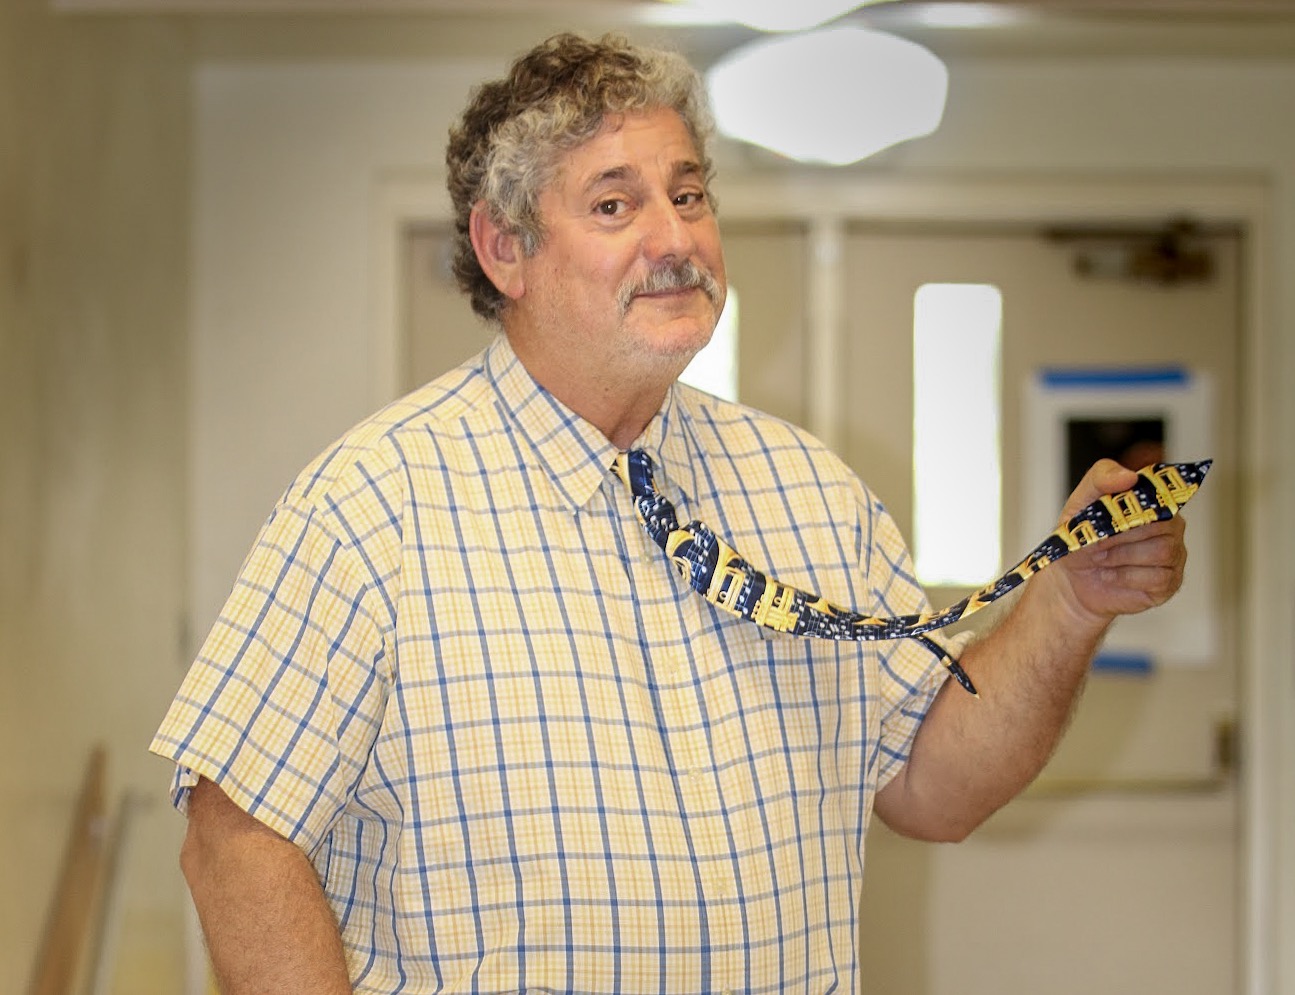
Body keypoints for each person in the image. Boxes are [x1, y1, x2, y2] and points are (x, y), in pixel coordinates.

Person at [151, 32, 1188, 994]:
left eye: (688, 194)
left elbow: (932, 786)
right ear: (503, 248)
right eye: (615, 206)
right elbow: (235, 838)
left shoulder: (809, 492)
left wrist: (1069, 599)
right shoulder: (372, 505)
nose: (675, 238)